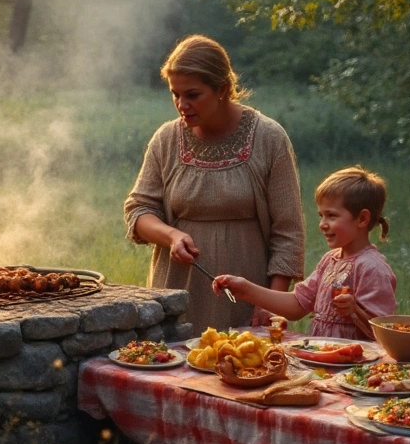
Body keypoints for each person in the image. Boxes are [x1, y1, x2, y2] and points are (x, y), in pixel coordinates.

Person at [124, 34, 305, 331]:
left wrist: (270, 302)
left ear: (222, 89)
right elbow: (138, 211)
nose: (182, 104)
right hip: (176, 290)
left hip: (247, 293)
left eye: (193, 95)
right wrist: (171, 236)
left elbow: (288, 232)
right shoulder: (166, 139)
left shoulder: (269, 138)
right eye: (175, 94)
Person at [211, 166, 396, 340]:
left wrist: (355, 310)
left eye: (331, 215)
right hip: (321, 359)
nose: (322, 224)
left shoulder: (372, 268)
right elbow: (297, 305)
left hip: (354, 368)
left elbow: (386, 335)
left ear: (362, 219)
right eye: (321, 215)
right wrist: (246, 289)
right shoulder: (329, 260)